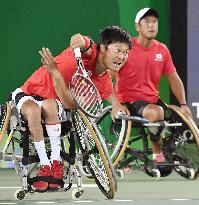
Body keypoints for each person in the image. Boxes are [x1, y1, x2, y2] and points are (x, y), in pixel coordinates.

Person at [11, 25, 131, 191]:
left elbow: (69, 104)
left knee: (50, 106)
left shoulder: (104, 85)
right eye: (117, 50)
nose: (122, 56)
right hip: (29, 92)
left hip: (54, 103)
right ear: (102, 48)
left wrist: (56, 73)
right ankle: (45, 163)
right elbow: (80, 39)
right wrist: (77, 43)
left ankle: (53, 164)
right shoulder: (90, 52)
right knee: (33, 110)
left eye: (126, 52)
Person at [114, 8, 192, 168]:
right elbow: (107, 77)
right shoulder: (126, 49)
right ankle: (157, 151)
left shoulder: (162, 50)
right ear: (138, 26)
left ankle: (168, 147)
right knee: (157, 112)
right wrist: (116, 103)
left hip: (152, 100)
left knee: (170, 113)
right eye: (147, 22)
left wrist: (183, 104)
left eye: (154, 22)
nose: (151, 25)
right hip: (129, 101)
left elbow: (174, 78)